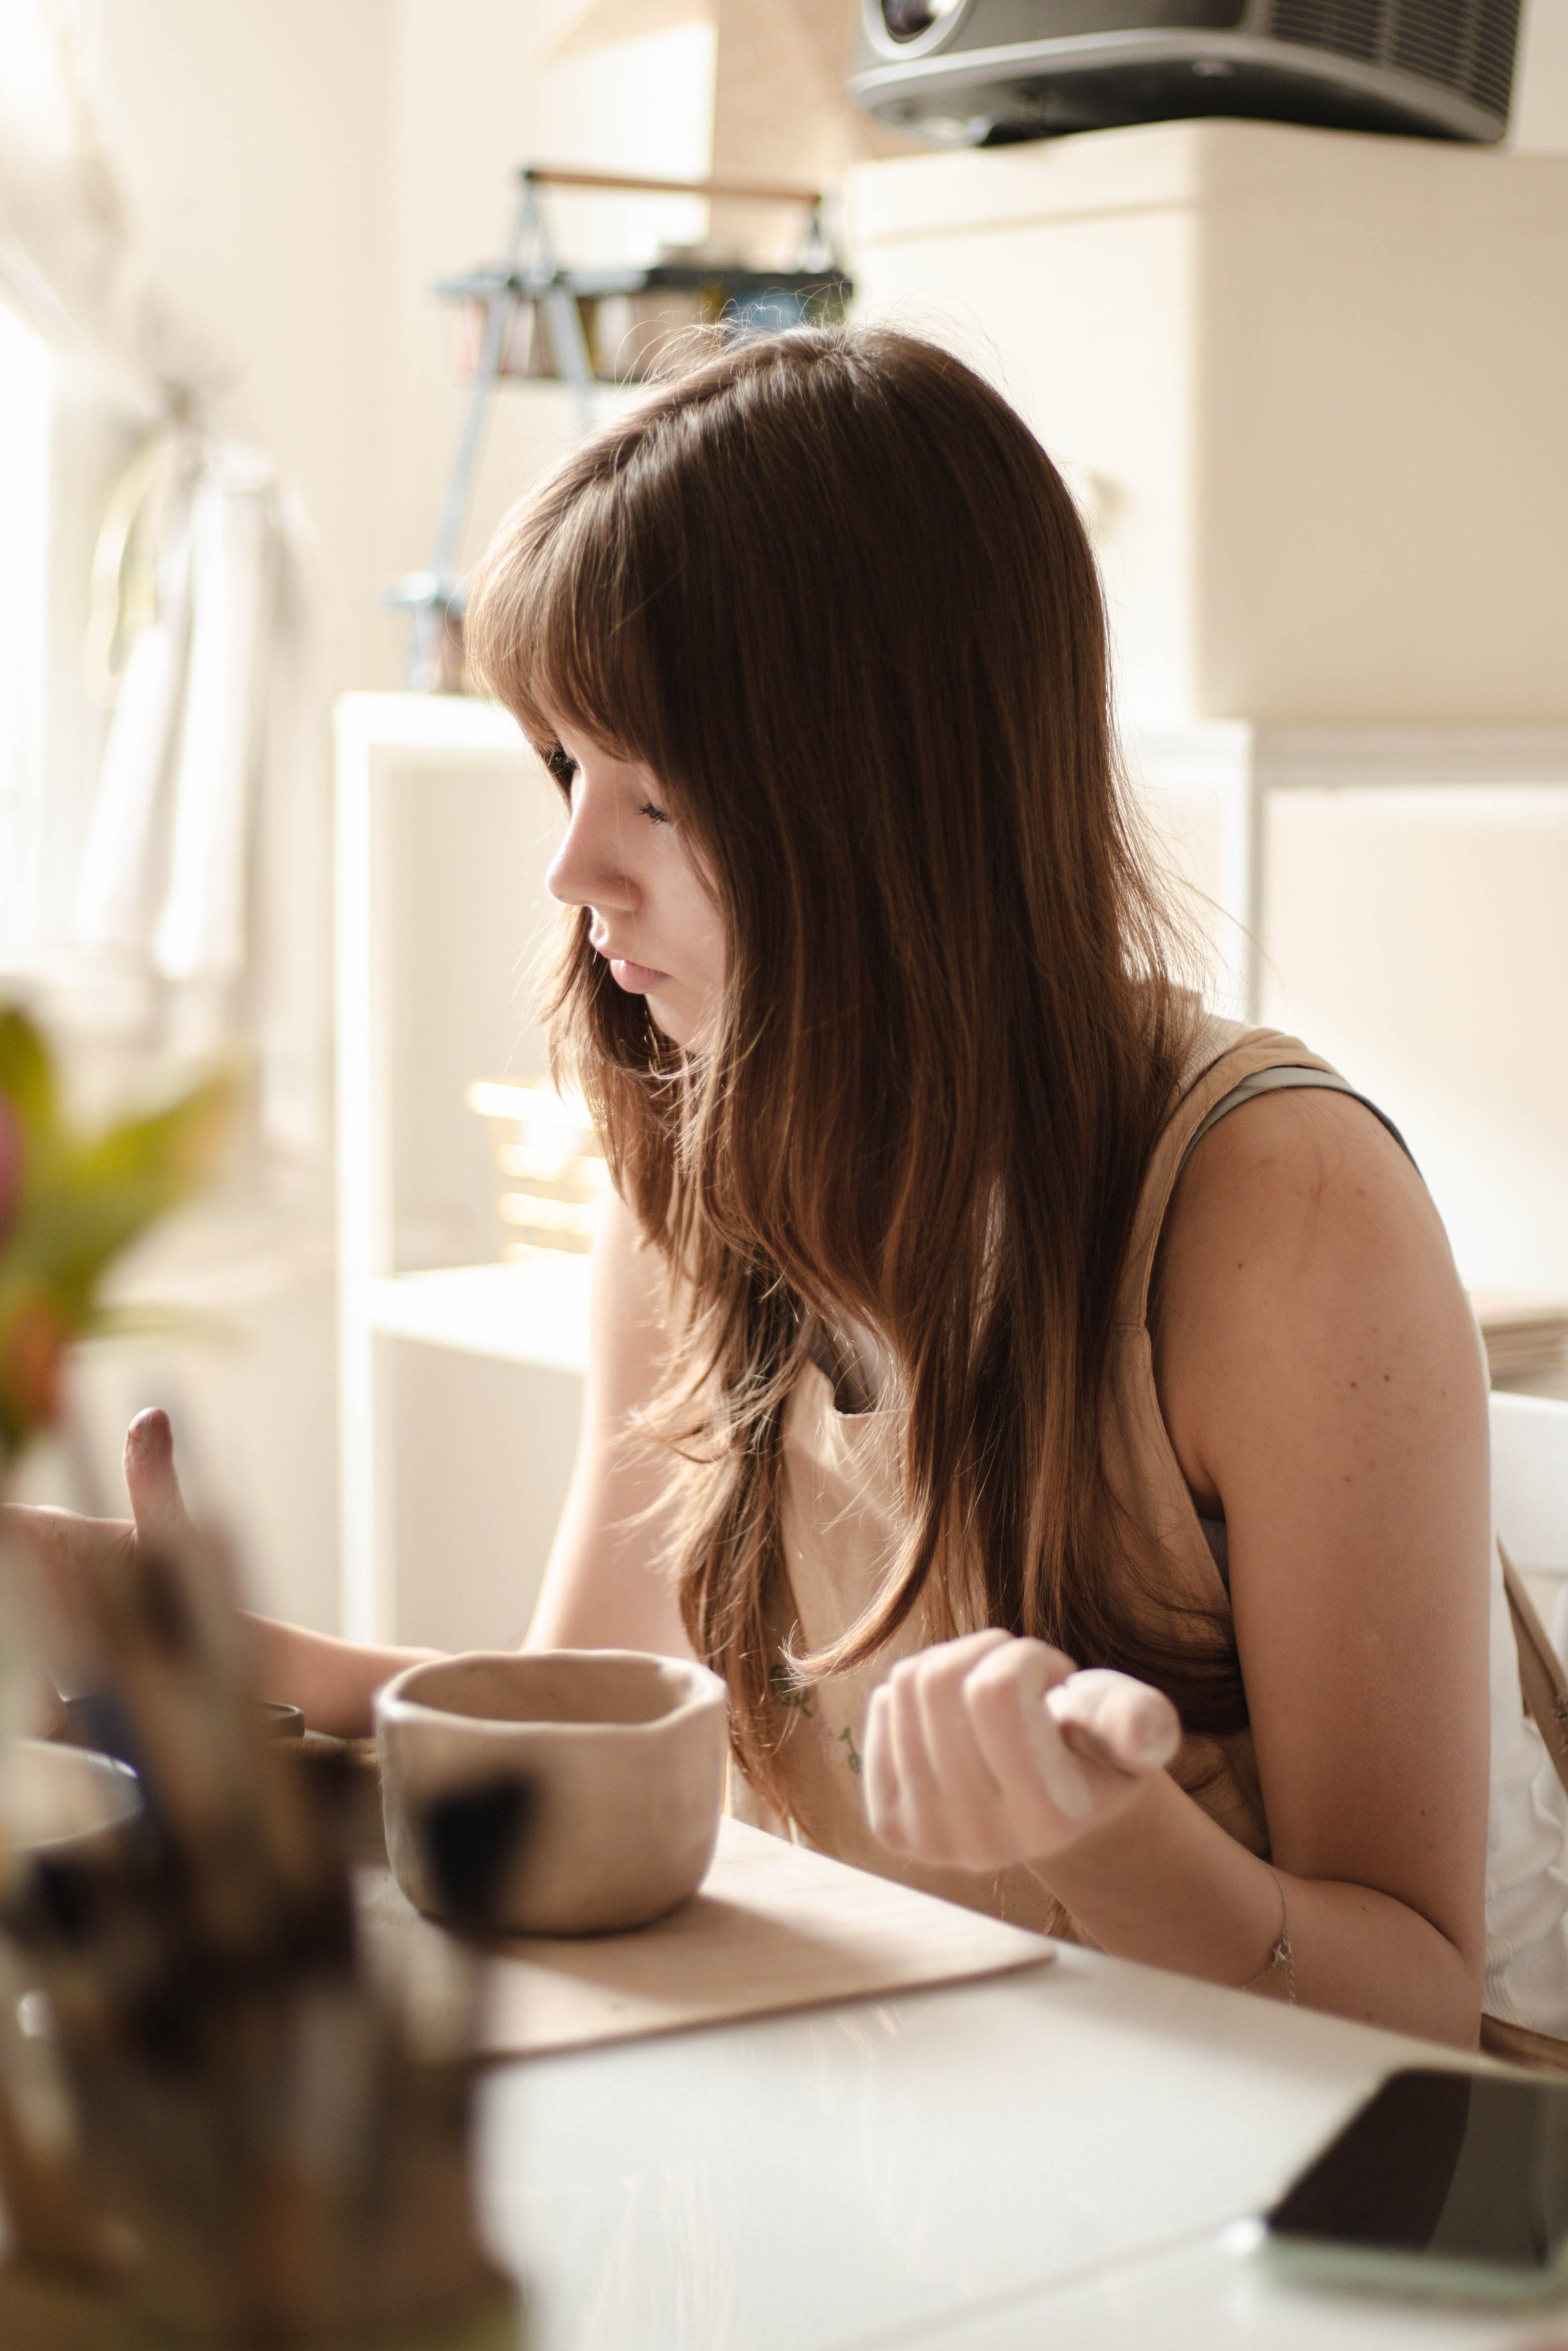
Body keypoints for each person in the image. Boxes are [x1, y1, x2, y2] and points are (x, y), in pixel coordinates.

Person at [18, 326, 1568, 2053]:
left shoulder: (1278, 1214)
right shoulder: (691, 1166)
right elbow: (611, 1739)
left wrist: (1111, 1842)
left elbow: (1417, 2006)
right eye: (563, 769)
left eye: (656, 798)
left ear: (880, 806)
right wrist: (206, 1658)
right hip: (964, 2098)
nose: (571, 867)